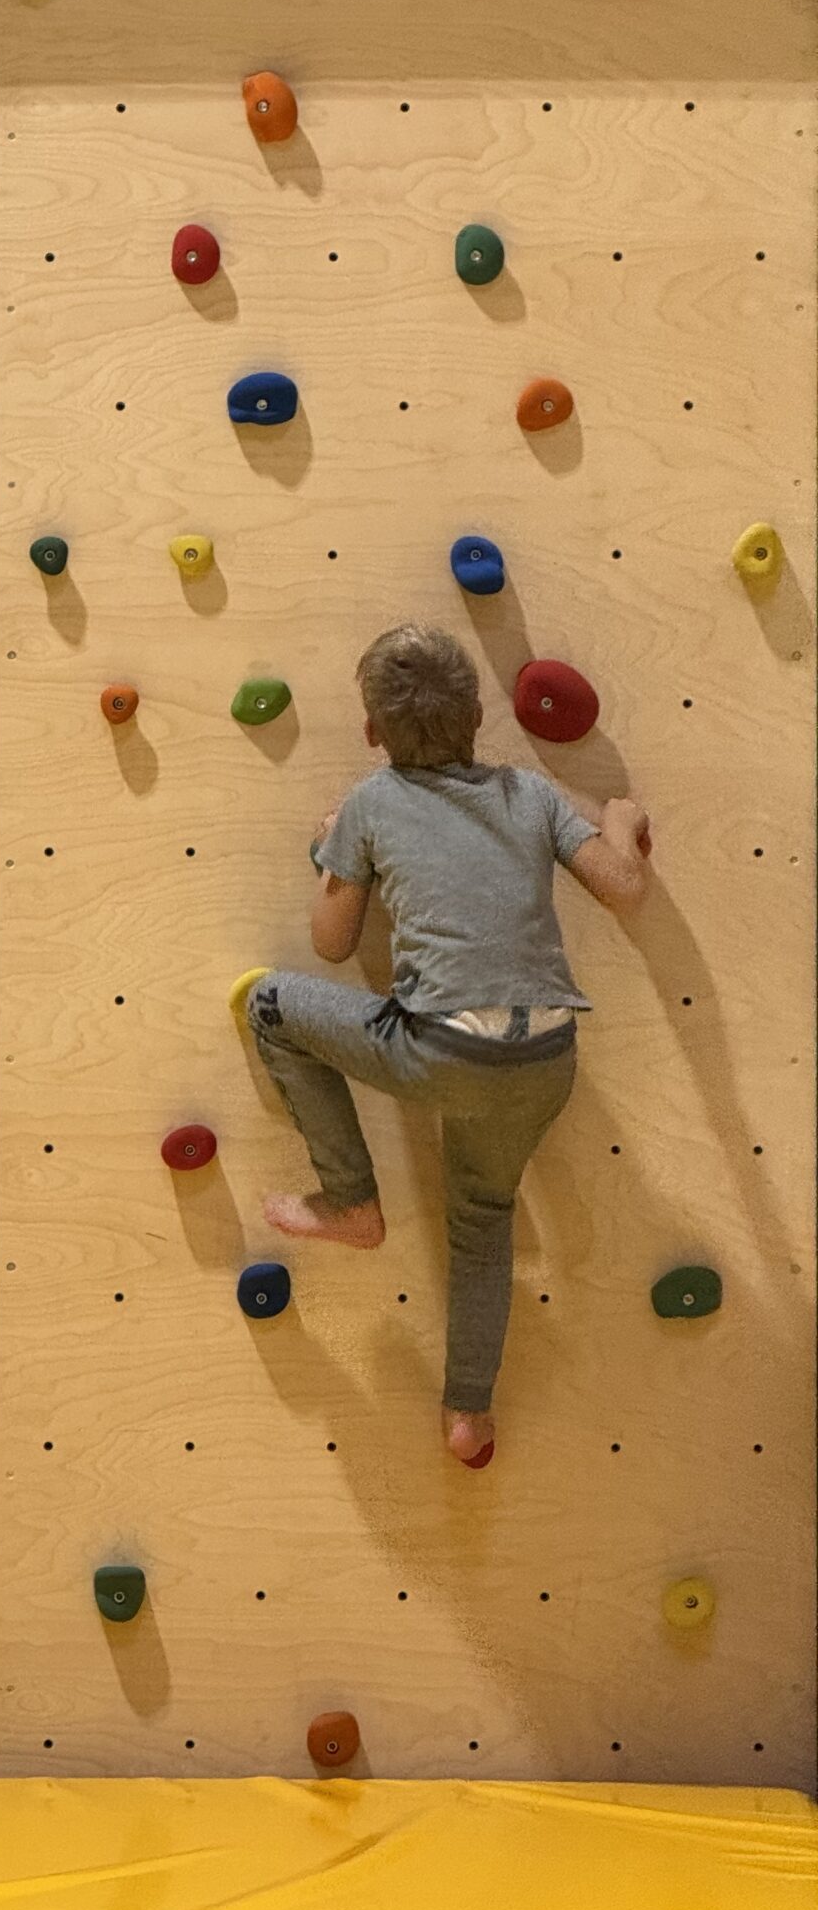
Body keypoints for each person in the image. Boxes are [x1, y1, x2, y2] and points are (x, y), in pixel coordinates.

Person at [246, 623, 648, 1467]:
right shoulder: (530, 794)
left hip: (438, 1052)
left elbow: (329, 942)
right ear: (477, 719)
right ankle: (467, 1413)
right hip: (542, 1065)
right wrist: (617, 817)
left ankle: (351, 1200)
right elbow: (624, 888)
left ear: (371, 734)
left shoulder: (370, 801)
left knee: (275, 1005)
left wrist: (334, 849)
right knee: (482, 1216)